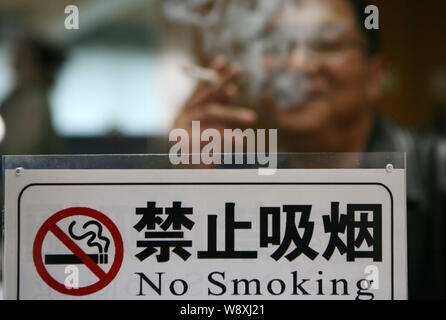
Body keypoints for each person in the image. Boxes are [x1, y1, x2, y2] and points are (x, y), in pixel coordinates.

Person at [173, 0, 446, 299]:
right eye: (276, 46)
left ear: (375, 76)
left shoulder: (436, 172)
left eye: (326, 44)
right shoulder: (235, 180)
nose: (297, 64)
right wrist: (186, 190)